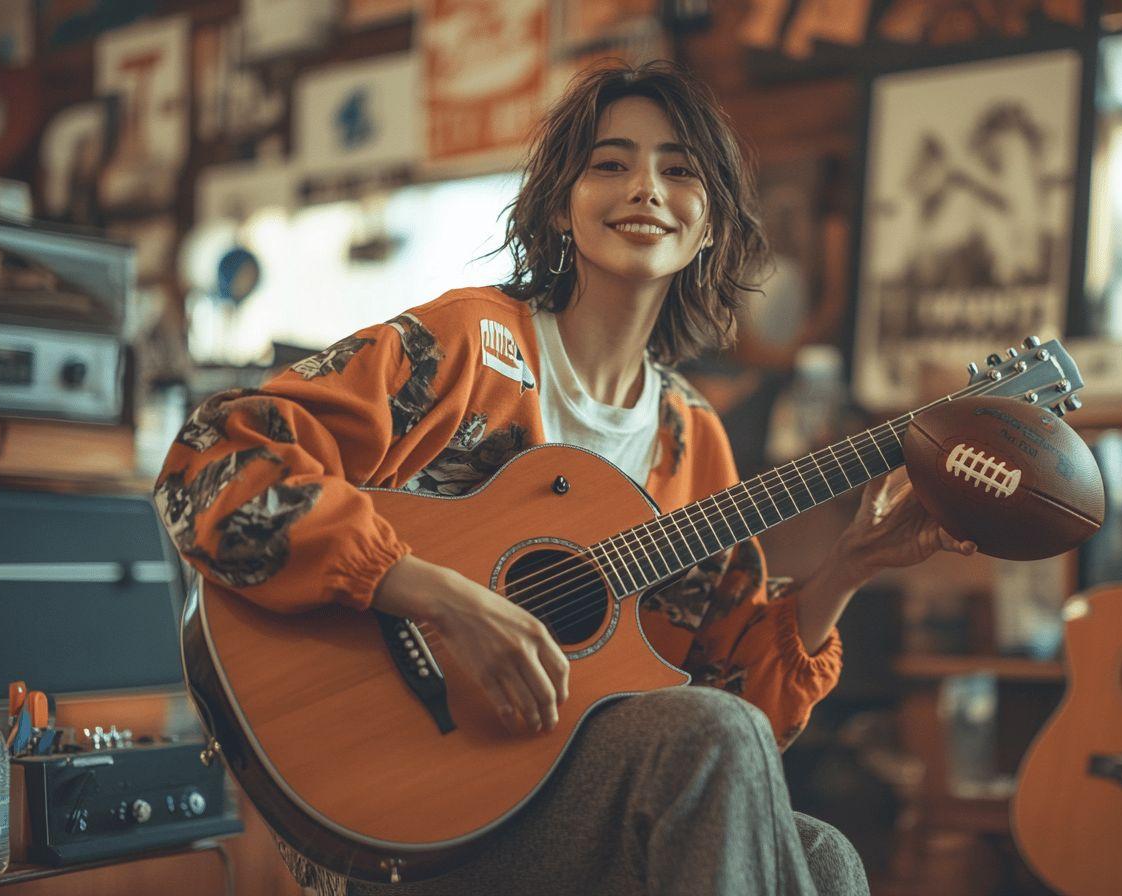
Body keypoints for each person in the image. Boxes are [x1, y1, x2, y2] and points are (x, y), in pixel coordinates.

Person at [155, 60, 976, 896]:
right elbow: (212, 458)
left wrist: (850, 565)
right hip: (388, 808)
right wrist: (432, 594)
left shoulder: (691, 439)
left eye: (680, 170)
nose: (645, 188)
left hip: (553, 797)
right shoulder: (468, 348)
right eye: (611, 163)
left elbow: (740, 727)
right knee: (718, 748)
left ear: (710, 227)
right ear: (560, 204)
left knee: (826, 857)